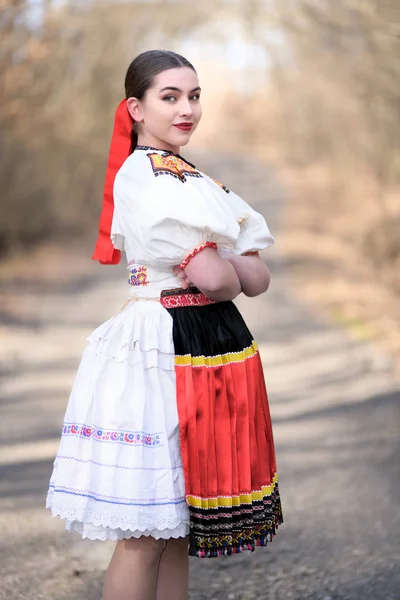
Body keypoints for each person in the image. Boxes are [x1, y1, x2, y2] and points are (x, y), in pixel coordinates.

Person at [46, 49, 283, 600]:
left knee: (176, 525)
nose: (187, 109)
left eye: (194, 96)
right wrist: (226, 261)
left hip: (201, 342)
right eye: (170, 97)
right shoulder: (146, 176)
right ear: (136, 108)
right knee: (145, 530)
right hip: (162, 346)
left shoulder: (189, 175)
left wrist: (224, 264)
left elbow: (258, 276)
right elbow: (225, 281)